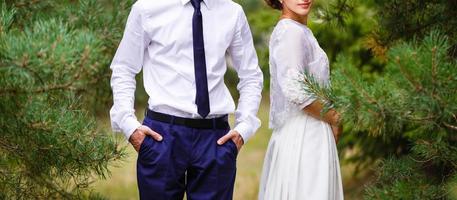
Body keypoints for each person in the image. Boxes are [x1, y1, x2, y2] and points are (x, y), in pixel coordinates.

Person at [109, 0, 263, 199]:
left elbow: (251, 76)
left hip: (215, 139)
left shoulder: (232, 12)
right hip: (162, 135)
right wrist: (130, 127)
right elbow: (124, 68)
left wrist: (244, 128)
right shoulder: (147, 8)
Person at [258, 0, 344, 199]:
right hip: (305, 135)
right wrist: (334, 118)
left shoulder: (299, 30)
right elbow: (296, 91)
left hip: (310, 128)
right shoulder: (290, 32)